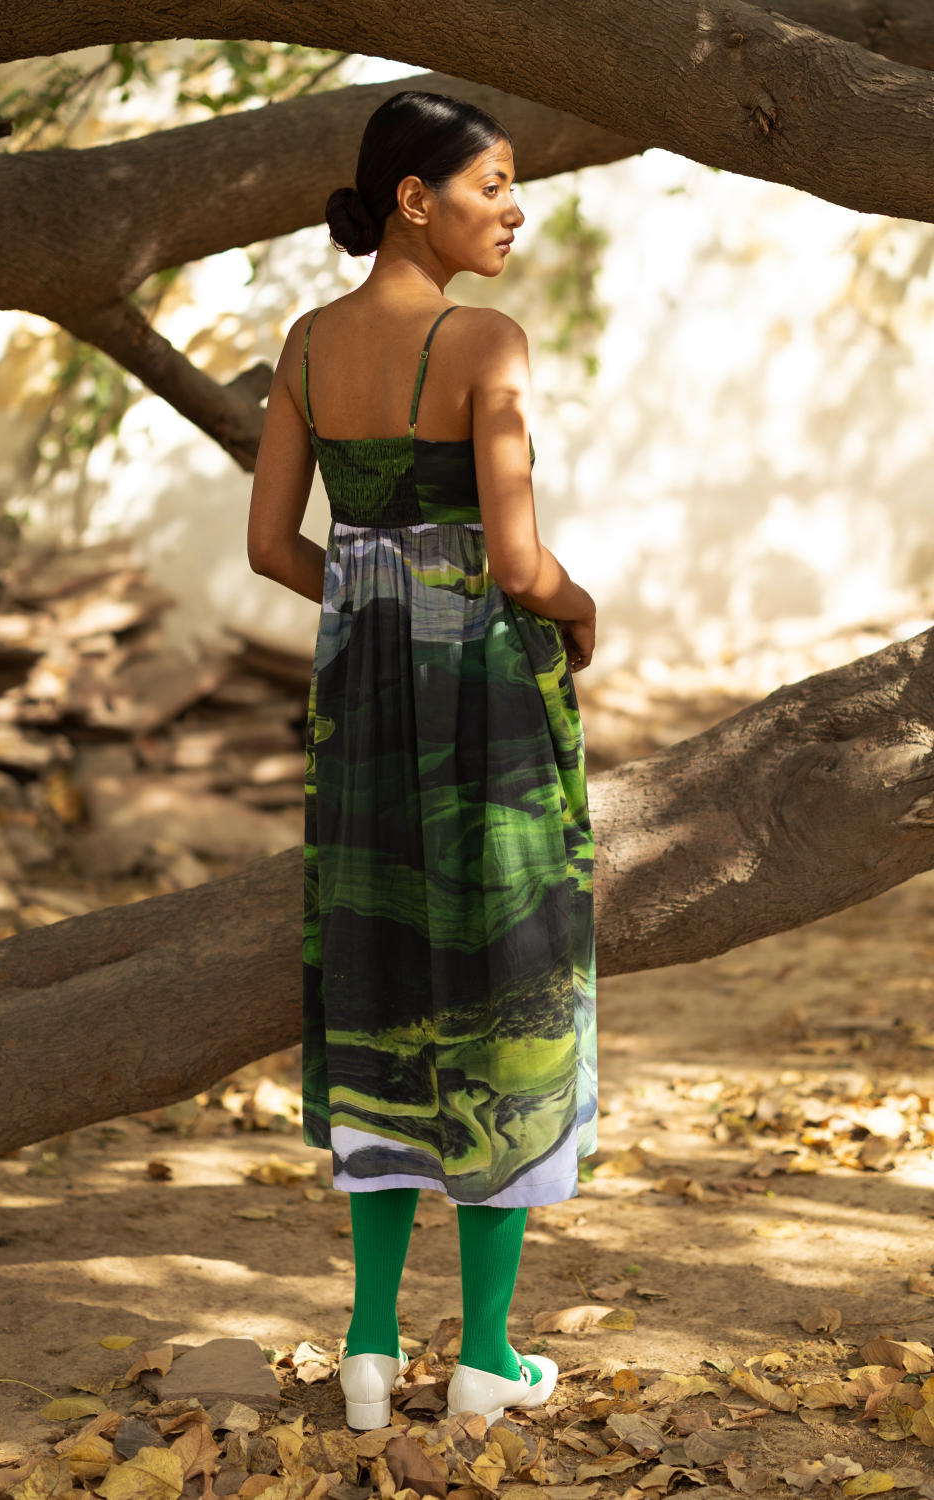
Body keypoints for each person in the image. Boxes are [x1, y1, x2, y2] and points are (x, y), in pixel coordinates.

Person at [247, 89, 598, 1433]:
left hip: (362, 711)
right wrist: (581, 608)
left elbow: (272, 548)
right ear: (414, 198)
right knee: (507, 991)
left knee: (381, 984)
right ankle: (487, 1359)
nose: (516, 211)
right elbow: (516, 561)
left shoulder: (305, 344)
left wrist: (372, 604)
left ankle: (369, 1350)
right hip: (487, 710)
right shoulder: (484, 342)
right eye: (493, 184)